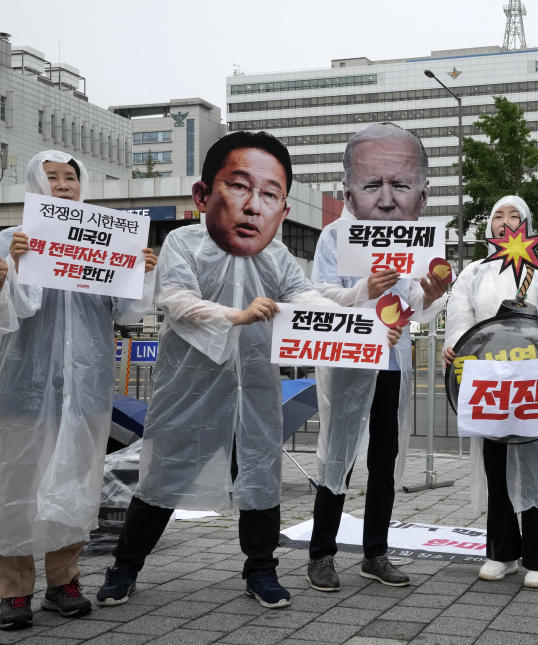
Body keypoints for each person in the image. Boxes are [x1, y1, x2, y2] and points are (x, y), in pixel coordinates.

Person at [95, 131, 400, 609]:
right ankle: (124, 568)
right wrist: (233, 317)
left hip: (253, 387)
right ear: (204, 193)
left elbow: (308, 299)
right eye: (239, 186)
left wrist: (364, 316)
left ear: (281, 208)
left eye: (271, 194)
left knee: (260, 474)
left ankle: (261, 569)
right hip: (189, 386)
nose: (254, 205)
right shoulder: (184, 243)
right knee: (163, 474)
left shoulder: (275, 256)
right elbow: (175, 299)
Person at [0, 150, 157, 630]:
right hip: (23, 389)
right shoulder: (11, 237)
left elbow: (124, 312)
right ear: (33, 183)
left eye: (71, 177)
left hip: (83, 390)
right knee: (16, 484)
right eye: (53, 177)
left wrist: (141, 271)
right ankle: (14, 590)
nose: (63, 185)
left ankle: (64, 581)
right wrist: (10, 269)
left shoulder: (105, 240)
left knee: (76, 483)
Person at [306, 123, 447, 592]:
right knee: (336, 457)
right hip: (348, 360)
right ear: (348, 190)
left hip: (391, 366)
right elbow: (317, 294)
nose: (386, 199)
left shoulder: (416, 242)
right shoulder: (334, 237)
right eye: (372, 185)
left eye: (400, 184)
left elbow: (418, 308)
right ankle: (321, 554)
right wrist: (361, 290)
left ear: (422, 194)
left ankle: (375, 553)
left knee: (384, 462)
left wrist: (432, 294)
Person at [443, 195, 538, 588]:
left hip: (534, 386)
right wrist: (453, 346)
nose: (504, 222)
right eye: (497, 215)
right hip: (488, 385)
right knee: (496, 467)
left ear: (526, 223)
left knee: (537, 467)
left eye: (513, 215)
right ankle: (502, 552)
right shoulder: (473, 272)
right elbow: (460, 322)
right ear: (489, 225)